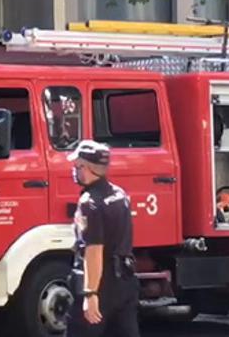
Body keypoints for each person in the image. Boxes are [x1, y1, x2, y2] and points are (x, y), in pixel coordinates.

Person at [65, 140, 140, 337]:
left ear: (87, 168)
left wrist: (91, 294)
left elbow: (94, 250)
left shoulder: (90, 203)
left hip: (101, 284)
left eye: (77, 165)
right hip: (125, 280)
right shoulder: (120, 195)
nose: (74, 170)